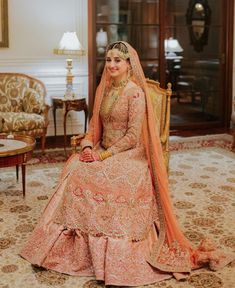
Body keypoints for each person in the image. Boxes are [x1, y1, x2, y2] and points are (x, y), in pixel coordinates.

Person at [20, 41, 234, 287]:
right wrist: (89, 146)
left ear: (128, 64)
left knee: (109, 179)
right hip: (103, 148)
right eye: (109, 59)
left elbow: (133, 137)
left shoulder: (135, 93)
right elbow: (93, 128)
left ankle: (115, 253)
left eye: (117, 60)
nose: (111, 65)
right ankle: (75, 248)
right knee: (76, 169)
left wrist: (104, 155)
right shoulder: (106, 90)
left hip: (130, 153)